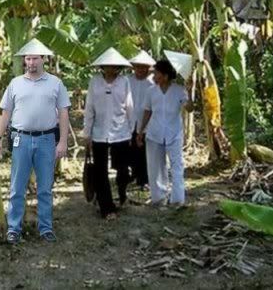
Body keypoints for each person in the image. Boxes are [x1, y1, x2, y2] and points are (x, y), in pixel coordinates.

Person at [0, 39, 70, 244]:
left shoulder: (56, 83)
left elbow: (63, 113)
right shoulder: (15, 83)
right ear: (24, 61)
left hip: (46, 139)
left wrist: (62, 141)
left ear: (43, 59)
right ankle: (13, 228)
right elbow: (5, 113)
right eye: (28, 58)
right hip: (20, 138)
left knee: (45, 187)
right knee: (17, 186)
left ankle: (45, 228)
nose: (31, 62)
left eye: (35, 58)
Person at [83, 47, 134, 219]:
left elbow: (129, 107)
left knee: (122, 168)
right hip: (99, 132)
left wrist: (133, 130)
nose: (110, 69)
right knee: (100, 170)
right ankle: (107, 207)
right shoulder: (95, 81)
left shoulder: (124, 81)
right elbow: (89, 108)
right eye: (107, 66)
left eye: (114, 66)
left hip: (121, 131)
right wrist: (87, 133)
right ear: (102, 67)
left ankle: (122, 195)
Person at [136, 59, 193, 206]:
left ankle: (177, 199)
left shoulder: (179, 90)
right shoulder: (151, 91)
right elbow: (147, 111)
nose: (154, 76)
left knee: (177, 165)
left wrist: (191, 92)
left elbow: (189, 108)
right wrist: (140, 131)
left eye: (156, 73)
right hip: (154, 133)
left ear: (166, 76)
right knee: (155, 166)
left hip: (174, 133)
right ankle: (158, 197)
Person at [128, 50, 156, 189]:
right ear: (134, 67)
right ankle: (134, 175)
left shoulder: (152, 83)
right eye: (138, 66)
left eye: (143, 67)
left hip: (147, 122)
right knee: (132, 150)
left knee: (145, 151)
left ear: (148, 68)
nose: (140, 69)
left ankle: (144, 179)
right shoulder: (127, 81)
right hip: (130, 121)